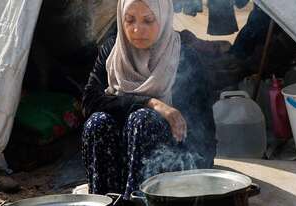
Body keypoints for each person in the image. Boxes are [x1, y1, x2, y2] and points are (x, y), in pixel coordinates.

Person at [81, 0, 216, 199]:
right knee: (97, 123)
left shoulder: (184, 58)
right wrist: (151, 102)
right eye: (129, 20)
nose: (137, 30)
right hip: (119, 165)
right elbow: (89, 102)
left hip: (171, 166)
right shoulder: (113, 51)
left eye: (148, 21)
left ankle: (140, 201)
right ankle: (105, 200)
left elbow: (203, 133)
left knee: (143, 120)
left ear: (163, 17)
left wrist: (199, 176)